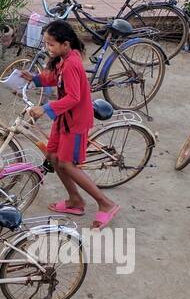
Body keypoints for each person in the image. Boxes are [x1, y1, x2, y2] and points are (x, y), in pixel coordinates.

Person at [19, 20, 120, 227]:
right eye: (46, 43)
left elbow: (73, 97)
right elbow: (56, 78)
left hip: (74, 122)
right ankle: (75, 200)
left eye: (51, 44)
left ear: (66, 44)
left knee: (67, 164)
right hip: (63, 119)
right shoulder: (64, 59)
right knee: (53, 157)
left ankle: (105, 203)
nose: (48, 48)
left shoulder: (72, 63)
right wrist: (35, 79)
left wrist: (45, 108)